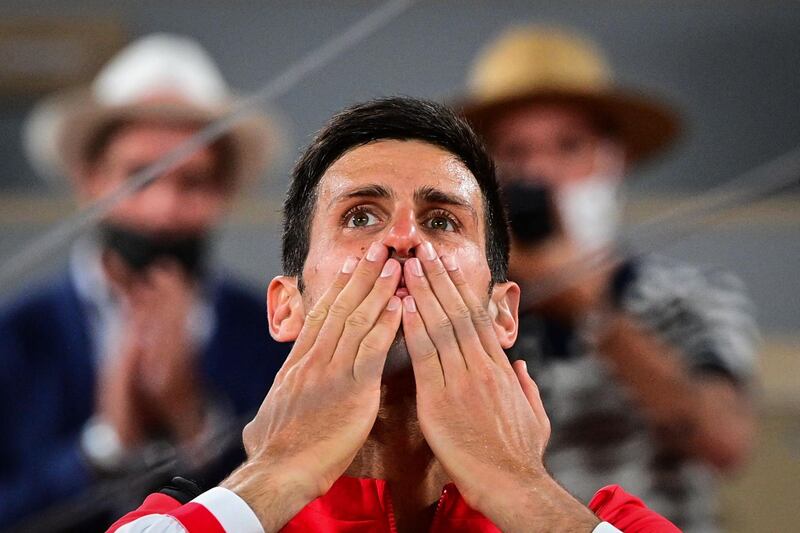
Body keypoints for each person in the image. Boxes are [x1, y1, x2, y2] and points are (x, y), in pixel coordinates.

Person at [107, 97, 680, 532]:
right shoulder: (204, 519)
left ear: (504, 314)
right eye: (360, 217)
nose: (404, 239)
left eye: (441, 220)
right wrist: (275, 478)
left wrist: (520, 489)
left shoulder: (605, 521)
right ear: (287, 308)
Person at [457, 26, 758, 531]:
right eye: (516, 152)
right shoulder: (461, 307)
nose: (541, 173)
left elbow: (725, 441)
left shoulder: (691, 295)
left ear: (614, 159)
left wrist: (591, 310)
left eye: (569, 146)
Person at [0, 34, 290, 529]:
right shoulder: (17, 334)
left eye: (192, 182)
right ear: (89, 180)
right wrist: (105, 445)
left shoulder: (273, 333)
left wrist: (193, 419)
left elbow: (298, 503)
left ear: (223, 192)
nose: (163, 209)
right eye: (139, 177)